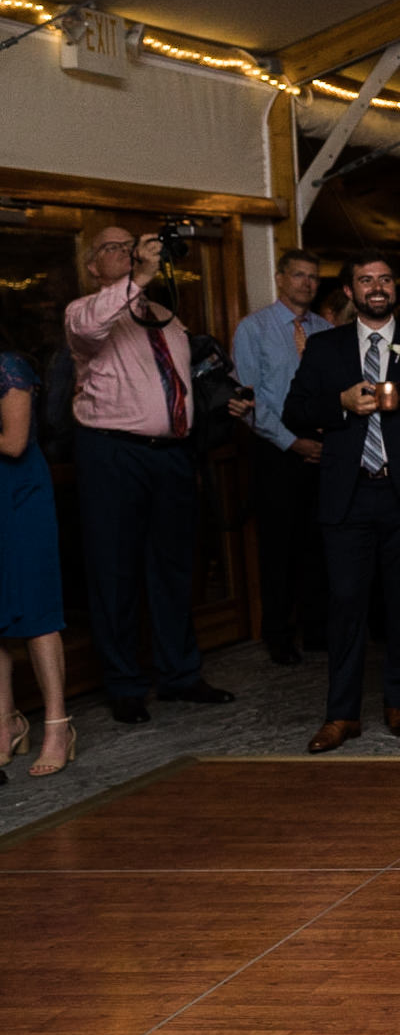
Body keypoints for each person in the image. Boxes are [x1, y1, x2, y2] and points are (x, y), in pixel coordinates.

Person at [65, 224, 239, 723]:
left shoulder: (166, 316)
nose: (127, 252)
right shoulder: (83, 311)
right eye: (113, 248)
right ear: (93, 266)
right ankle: (124, 684)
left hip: (171, 456)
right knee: (114, 570)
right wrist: (138, 275)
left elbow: (178, 381)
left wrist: (222, 402)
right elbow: (93, 328)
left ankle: (180, 674)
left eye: (132, 245)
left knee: (174, 568)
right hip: (113, 453)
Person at [282, 251, 400, 752]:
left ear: (394, 288)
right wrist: (339, 404)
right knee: (345, 606)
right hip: (349, 495)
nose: (376, 287)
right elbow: (294, 412)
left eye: (384, 279)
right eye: (365, 280)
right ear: (350, 291)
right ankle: (342, 714)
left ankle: (399, 701)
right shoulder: (325, 346)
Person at [230, 248, 331, 665]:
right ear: (281, 277)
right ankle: (279, 635)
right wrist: (292, 442)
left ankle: (319, 630)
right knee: (279, 547)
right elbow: (249, 400)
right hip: (276, 448)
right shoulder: (253, 329)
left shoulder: (326, 329)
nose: (306, 283)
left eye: (313, 277)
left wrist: (327, 440)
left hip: (322, 446)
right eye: (299, 275)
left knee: (319, 543)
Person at [1, 334, 74, 778]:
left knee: (37, 613)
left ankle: (58, 725)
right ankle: (6, 723)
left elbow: (13, 442)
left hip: (19, 499)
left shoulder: (9, 366)